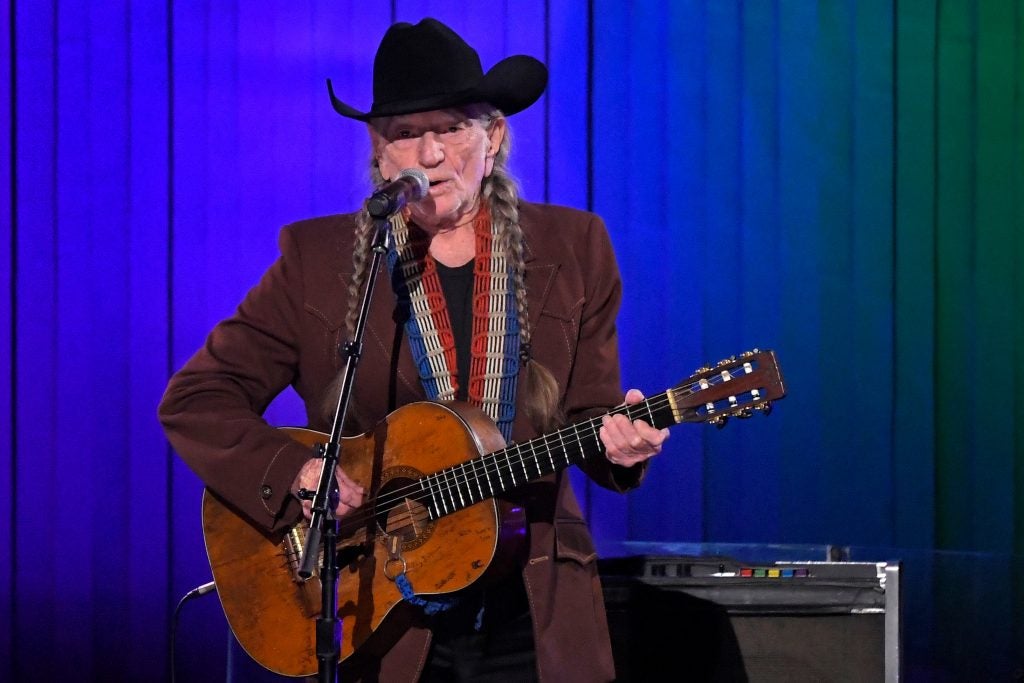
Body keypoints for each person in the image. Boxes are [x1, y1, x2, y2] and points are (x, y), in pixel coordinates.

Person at [159, 17, 668, 682]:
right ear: (379, 152)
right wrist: (298, 475)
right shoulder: (318, 261)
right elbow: (196, 400)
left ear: (495, 136)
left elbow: (588, 415)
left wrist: (621, 444)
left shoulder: (574, 248)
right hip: (381, 612)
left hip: (532, 611)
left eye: (452, 127)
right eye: (404, 134)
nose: (429, 155)